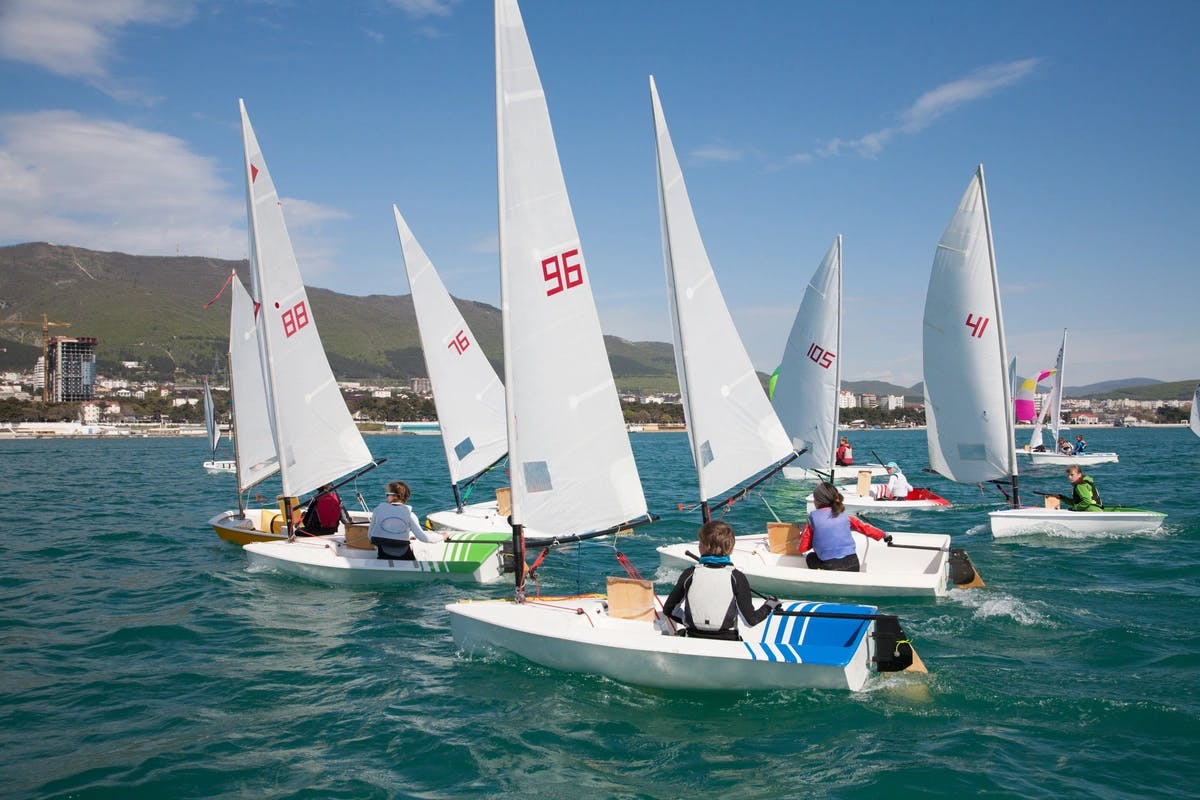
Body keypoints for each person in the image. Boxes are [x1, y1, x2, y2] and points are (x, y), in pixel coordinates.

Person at [662, 520, 779, 640]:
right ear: (731, 548)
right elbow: (750, 621)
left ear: (704, 547)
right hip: (727, 642)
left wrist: (688, 621)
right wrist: (770, 605)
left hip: (693, 639)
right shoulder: (736, 577)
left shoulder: (689, 574)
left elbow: (669, 609)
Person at [798, 482, 890, 571]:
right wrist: (883, 535)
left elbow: (802, 548)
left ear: (817, 501)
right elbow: (865, 528)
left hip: (831, 567)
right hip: (853, 564)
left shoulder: (812, 518)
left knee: (810, 557)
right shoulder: (845, 515)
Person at [367, 481, 446, 559]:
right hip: (405, 558)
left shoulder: (377, 510)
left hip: (383, 555)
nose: (386, 496)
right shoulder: (410, 515)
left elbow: (370, 536)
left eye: (387, 494)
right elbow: (424, 538)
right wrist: (442, 536)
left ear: (394, 496)